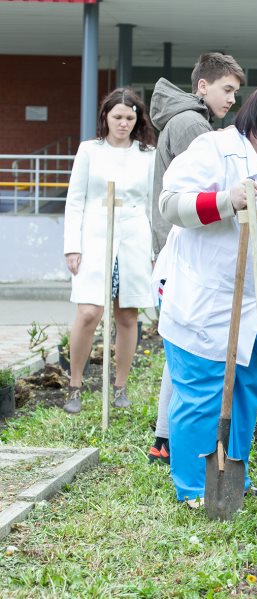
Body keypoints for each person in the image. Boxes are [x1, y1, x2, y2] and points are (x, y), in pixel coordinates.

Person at [155, 81, 257, 506]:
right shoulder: (216, 149)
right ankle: (194, 488)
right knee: (202, 392)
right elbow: (170, 204)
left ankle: (233, 479)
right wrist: (224, 200)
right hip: (205, 295)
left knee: (248, 388)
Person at [146, 52, 246, 465]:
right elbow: (204, 190)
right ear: (202, 86)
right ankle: (167, 439)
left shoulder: (192, 120)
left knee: (180, 343)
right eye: (227, 90)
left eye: (237, 92)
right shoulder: (192, 125)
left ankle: (165, 437)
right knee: (184, 346)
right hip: (180, 254)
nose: (233, 100)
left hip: (176, 249)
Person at [62, 88, 156, 414]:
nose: (123, 123)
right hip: (94, 239)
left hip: (134, 241)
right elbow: (75, 200)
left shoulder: (148, 155)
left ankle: (120, 386)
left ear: (137, 120)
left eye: (130, 118)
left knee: (127, 314)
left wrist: (155, 249)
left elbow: (151, 206)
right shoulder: (90, 151)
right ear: (106, 116)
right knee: (89, 312)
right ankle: (75, 384)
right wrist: (72, 246)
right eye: (117, 117)